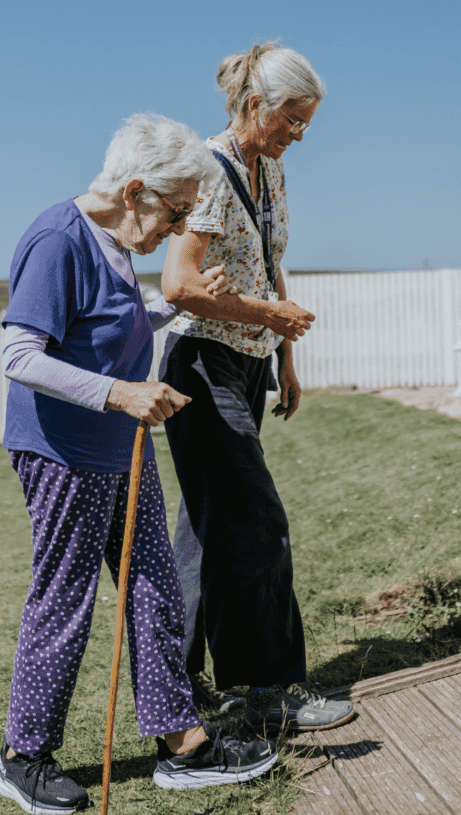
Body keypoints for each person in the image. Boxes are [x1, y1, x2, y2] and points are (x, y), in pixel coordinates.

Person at [0, 113, 279, 815]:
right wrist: (121, 391)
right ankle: (22, 756)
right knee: (64, 600)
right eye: (176, 211)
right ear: (134, 190)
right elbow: (20, 355)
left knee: (154, 586)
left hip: (124, 446)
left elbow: (103, 322)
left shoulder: (114, 241)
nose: (176, 229)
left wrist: (159, 309)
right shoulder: (58, 238)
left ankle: (182, 743)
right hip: (64, 452)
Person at [160, 42, 357, 735]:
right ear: (254, 106)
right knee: (258, 527)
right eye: (292, 120)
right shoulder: (209, 171)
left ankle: (176, 688)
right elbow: (178, 284)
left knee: (203, 535)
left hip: (248, 365)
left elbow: (271, 266)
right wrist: (266, 316)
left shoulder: (269, 172)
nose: (298, 136)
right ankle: (266, 686)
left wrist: (285, 359)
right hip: (203, 365)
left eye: (306, 124)